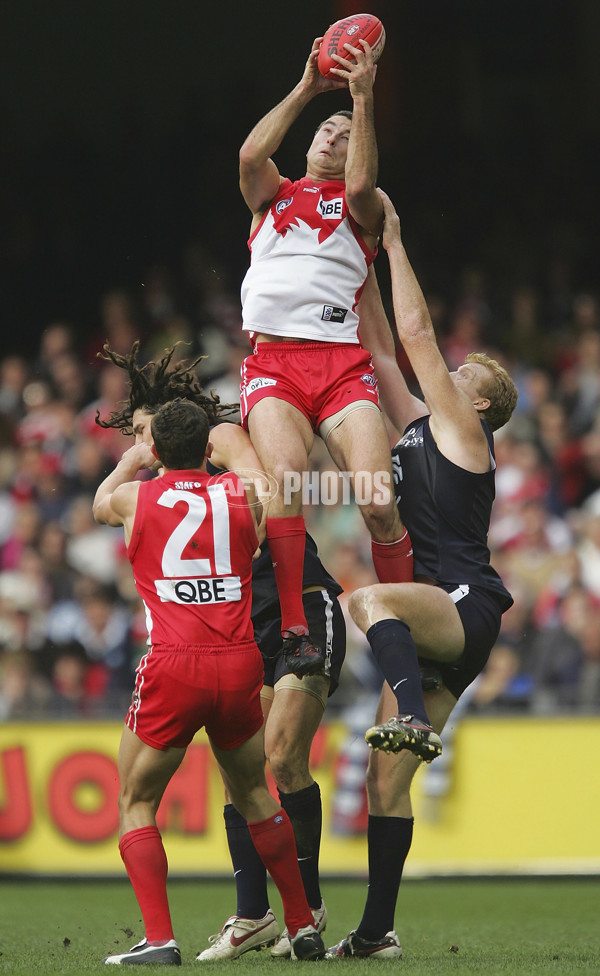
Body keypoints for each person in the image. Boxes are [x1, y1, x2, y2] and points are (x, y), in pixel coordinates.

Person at [96, 342, 346, 959]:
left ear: (156, 440)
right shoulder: (240, 497)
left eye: (142, 433)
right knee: (254, 791)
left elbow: (105, 503)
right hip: (239, 660)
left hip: (178, 662)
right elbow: (265, 508)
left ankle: (158, 939)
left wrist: (132, 462)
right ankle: (297, 921)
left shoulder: (143, 496)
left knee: (136, 801)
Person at [326, 191, 518, 958]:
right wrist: (359, 251)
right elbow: (379, 346)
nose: (452, 368)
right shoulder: (417, 426)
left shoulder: (467, 428)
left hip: (462, 604)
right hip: (446, 620)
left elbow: (414, 332)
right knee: (384, 785)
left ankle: (406, 708)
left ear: (478, 400)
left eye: (464, 370)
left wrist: (398, 239)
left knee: (367, 599)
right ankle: (376, 933)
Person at [238, 33, 413, 673]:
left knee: (376, 499)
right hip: (274, 365)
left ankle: (406, 614)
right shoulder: (272, 195)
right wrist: (309, 87)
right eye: (326, 131)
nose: (333, 137)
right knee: (285, 483)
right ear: (308, 143)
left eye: (345, 133)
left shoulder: (362, 205)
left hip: (340, 365)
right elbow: (252, 151)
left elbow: (365, 176)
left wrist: (362, 100)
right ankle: (294, 628)